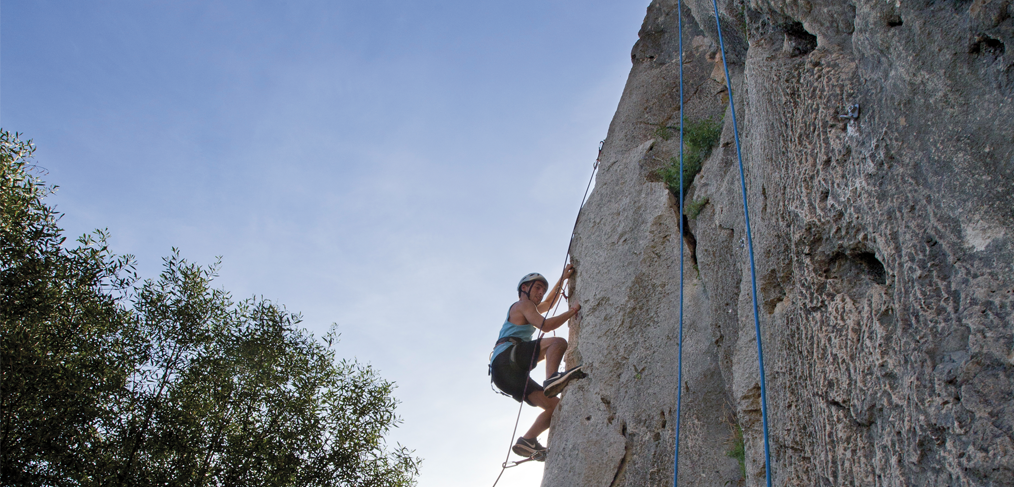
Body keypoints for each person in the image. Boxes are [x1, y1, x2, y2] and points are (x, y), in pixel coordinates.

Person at [489, 264, 586, 461]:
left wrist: (563, 279)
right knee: (557, 343)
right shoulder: (522, 305)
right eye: (537, 288)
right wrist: (573, 310)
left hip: (506, 375)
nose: (541, 293)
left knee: (555, 406)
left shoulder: (528, 307)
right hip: (508, 358)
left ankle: (528, 440)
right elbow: (547, 325)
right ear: (524, 288)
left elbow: (549, 303)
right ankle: (551, 379)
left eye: (543, 289)